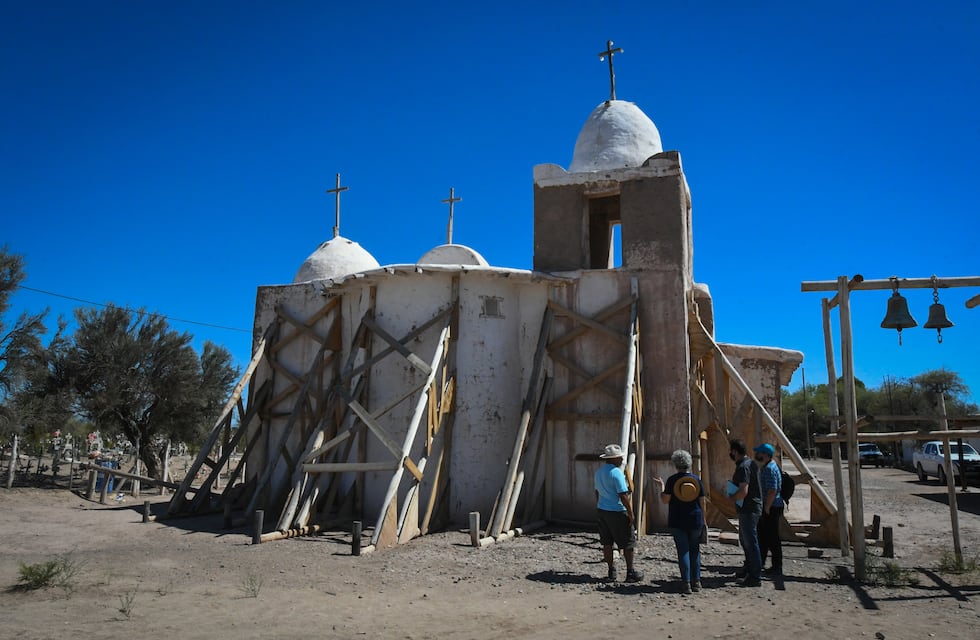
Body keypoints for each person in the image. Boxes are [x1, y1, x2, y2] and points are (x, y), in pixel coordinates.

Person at [654, 449, 705, 594]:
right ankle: (697, 581)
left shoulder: (672, 480)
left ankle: (686, 583)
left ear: (675, 464)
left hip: (677, 520)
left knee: (683, 551)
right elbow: (703, 502)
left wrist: (662, 488)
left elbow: (665, 500)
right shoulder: (697, 479)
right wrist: (704, 519)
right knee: (695, 550)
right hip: (695, 519)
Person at [594, 443, 643, 583]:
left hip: (602, 510)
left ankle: (611, 570)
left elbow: (597, 492)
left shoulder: (599, 472)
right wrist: (631, 513)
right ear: (614, 458)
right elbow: (623, 495)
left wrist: (599, 506)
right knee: (628, 543)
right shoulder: (616, 473)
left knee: (607, 543)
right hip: (617, 511)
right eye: (620, 457)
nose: (622, 459)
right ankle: (630, 572)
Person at [728, 438, 762, 586]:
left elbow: (743, 491)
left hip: (748, 509)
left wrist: (732, 497)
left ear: (735, 451)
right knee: (746, 541)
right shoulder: (750, 464)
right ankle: (749, 569)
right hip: (750, 508)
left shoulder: (743, 467)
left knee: (750, 542)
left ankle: (755, 577)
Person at [754, 443, 784, 575]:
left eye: (759, 453)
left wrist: (766, 507)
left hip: (771, 506)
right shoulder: (768, 466)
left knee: (772, 537)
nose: (757, 455)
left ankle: (777, 565)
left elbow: (772, 490)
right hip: (770, 505)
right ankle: (761, 561)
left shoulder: (769, 469)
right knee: (764, 535)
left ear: (765, 454)